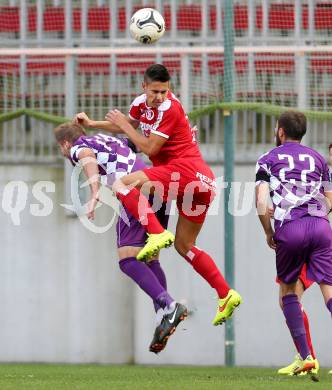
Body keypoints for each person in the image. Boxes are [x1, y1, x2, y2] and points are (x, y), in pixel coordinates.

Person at [75, 63, 242, 332]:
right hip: (200, 182)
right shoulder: (142, 104)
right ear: (144, 87)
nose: (159, 97)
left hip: (185, 171)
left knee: (121, 184)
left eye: (164, 91)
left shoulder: (170, 108)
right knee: (185, 246)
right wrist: (94, 124)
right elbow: (128, 124)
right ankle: (225, 294)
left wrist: (124, 126)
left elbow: (148, 145)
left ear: (169, 89)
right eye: (155, 91)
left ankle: (156, 233)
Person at [54, 121, 188, 354]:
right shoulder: (110, 140)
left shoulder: (79, 146)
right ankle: (162, 316)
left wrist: (94, 192)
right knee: (150, 257)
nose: (63, 152)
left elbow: (85, 156)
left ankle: (170, 306)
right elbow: (143, 145)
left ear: (65, 143)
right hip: (159, 191)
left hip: (136, 193)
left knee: (127, 259)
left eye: (61, 147)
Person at [256, 110, 332, 376]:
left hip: (290, 229)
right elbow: (330, 199)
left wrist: (268, 231)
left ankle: (307, 356)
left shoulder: (267, 159)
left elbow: (261, 203)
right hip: (322, 227)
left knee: (287, 293)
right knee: (329, 291)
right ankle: (305, 357)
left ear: (280, 131)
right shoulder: (319, 159)